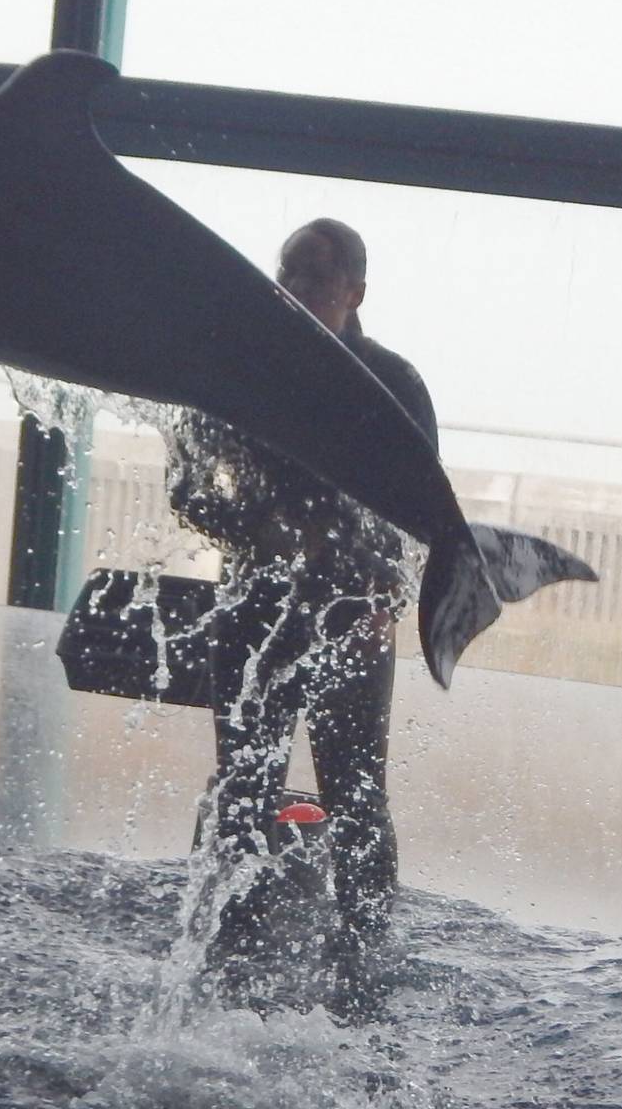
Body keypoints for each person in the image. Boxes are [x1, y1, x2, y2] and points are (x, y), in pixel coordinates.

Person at [166, 218, 438, 1011]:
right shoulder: (238, 366)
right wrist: (247, 529)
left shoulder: (392, 381)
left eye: (317, 280)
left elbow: (420, 505)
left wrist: (388, 596)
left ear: (356, 292)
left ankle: (364, 943)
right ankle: (220, 936)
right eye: (290, 273)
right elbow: (186, 485)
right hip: (256, 607)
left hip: (351, 613)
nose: (298, 291)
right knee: (242, 784)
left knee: (356, 791)